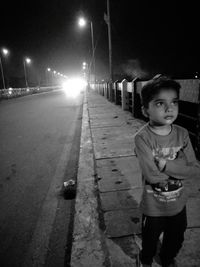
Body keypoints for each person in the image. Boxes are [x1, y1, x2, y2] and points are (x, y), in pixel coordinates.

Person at [134, 75, 200, 267]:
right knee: (150, 240)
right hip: (153, 207)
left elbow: (193, 170)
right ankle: (145, 259)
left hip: (178, 204)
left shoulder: (182, 134)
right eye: (160, 103)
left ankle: (167, 258)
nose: (169, 108)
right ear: (145, 110)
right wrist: (180, 166)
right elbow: (151, 176)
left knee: (176, 238)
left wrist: (165, 165)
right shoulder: (142, 138)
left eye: (174, 102)